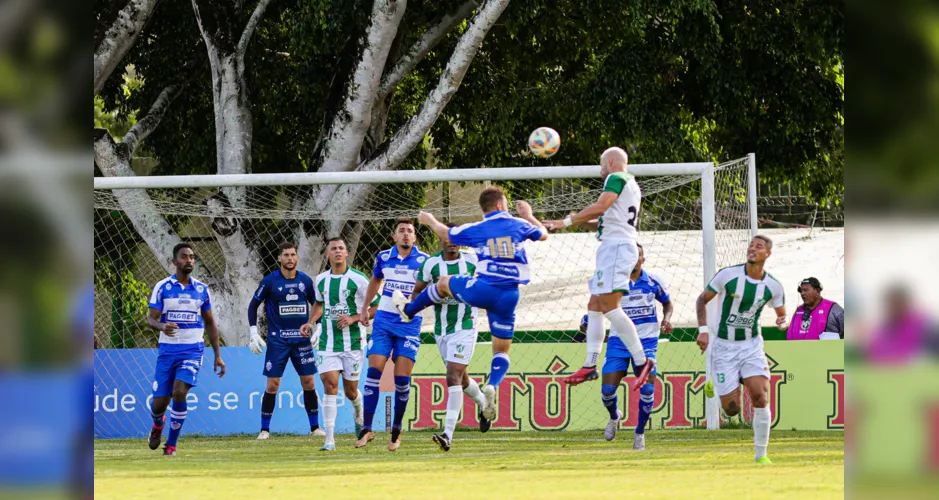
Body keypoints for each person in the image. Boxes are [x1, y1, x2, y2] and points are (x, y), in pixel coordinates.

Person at [394, 186, 548, 424]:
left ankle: (409, 310)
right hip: (509, 294)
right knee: (501, 349)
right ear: (500, 205)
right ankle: (493, 384)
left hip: (483, 289)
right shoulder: (518, 224)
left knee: (444, 283)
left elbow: (446, 233)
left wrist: (430, 220)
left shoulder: (478, 228)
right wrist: (528, 214)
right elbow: (544, 234)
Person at [543, 147, 652, 390]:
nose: (600, 171)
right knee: (594, 305)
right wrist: (577, 222)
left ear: (610, 162)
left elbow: (602, 206)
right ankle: (590, 364)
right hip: (615, 247)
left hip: (616, 249)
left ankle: (643, 361)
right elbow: (605, 220)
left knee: (609, 307)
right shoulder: (632, 185)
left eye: (601, 165)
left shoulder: (617, 177)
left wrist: (567, 221)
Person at [695, 235, 786, 464]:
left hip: (751, 346)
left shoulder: (773, 286)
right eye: (751, 245)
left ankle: (761, 455)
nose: (753, 249)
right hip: (724, 347)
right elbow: (701, 300)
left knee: (760, 395)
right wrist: (703, 330)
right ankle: (714, 381)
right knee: (732, 410)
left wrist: (782, 322)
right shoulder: (728, 275)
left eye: (759, 246)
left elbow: (782, 313)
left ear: (768, 254)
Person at [411, 224, 490, 451]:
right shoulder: (431, 264)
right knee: (461, 378)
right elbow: (417, 293)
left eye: (456, 238)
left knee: (453, 376)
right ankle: (484, 403)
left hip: (466, 326)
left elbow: (486, 287)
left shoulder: (472, 262)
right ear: (441, 240)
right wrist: (433, 296)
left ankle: (447, 434)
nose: (452, 241)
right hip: (441, 329)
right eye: (447, 237)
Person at [355, 218, 430, 451]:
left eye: (410, 231)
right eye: (402, 231)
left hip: (409, 323)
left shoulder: (425, 261)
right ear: (394, 237)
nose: (406, 234)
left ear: (415, 237)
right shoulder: (383, 257)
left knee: (401, 380)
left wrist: (415, 303)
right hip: (384, 322)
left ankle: (396, 428)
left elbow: (430, 289)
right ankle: (366, 429)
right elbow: (376, 279)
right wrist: (365, 308)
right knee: (373, 372)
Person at [146, 243, 225, 456]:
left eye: (192, 257)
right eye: (184, 257)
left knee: (179, 391)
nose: (189, 260)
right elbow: (150, 319)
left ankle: (171, 445)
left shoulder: (201, 289)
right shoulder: (162, 287)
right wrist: (162, 325)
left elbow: (210, 323)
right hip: (167, 351)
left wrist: (217, 355)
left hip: (192, 350)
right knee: (158, 403)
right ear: (175, 261)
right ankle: (158, 424)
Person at [599, 244, 673, 451]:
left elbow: (667, 303)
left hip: (647, 342)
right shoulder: (615, 282)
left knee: (648, 389)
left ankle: (639, 432)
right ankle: (615, 416)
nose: (632, 258)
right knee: (607, 391)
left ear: (643, 259)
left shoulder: (653, 281)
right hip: (618, 342)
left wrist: (666, 319)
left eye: (637, 255)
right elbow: (600, 305)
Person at [300, 237, 370, 451]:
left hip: (353, 343)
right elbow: (319, 304)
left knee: (350, 392)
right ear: (327, 254)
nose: (338, 251)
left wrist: (353, 318)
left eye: (341, 248)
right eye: (334, 249)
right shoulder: (320, 280)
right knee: (330, 386)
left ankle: (358, 412)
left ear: (347, 253)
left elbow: (374, 308)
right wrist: (310, 322)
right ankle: (329, 439)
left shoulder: (359, 279)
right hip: (328, 343)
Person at [247, 243, 323, 440]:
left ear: (297, 258)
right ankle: (264, 430)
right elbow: (253, 305)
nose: (290, 258)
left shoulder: (305, 281)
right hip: (278, 341)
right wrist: (253, 332)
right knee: (272, 385)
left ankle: (315, 427)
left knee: (309, 382)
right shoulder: (270, 281)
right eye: (286, 255)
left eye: (293, 255)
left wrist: (319, 327)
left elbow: (317, 304)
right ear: (279, 258)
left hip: (302, 341)